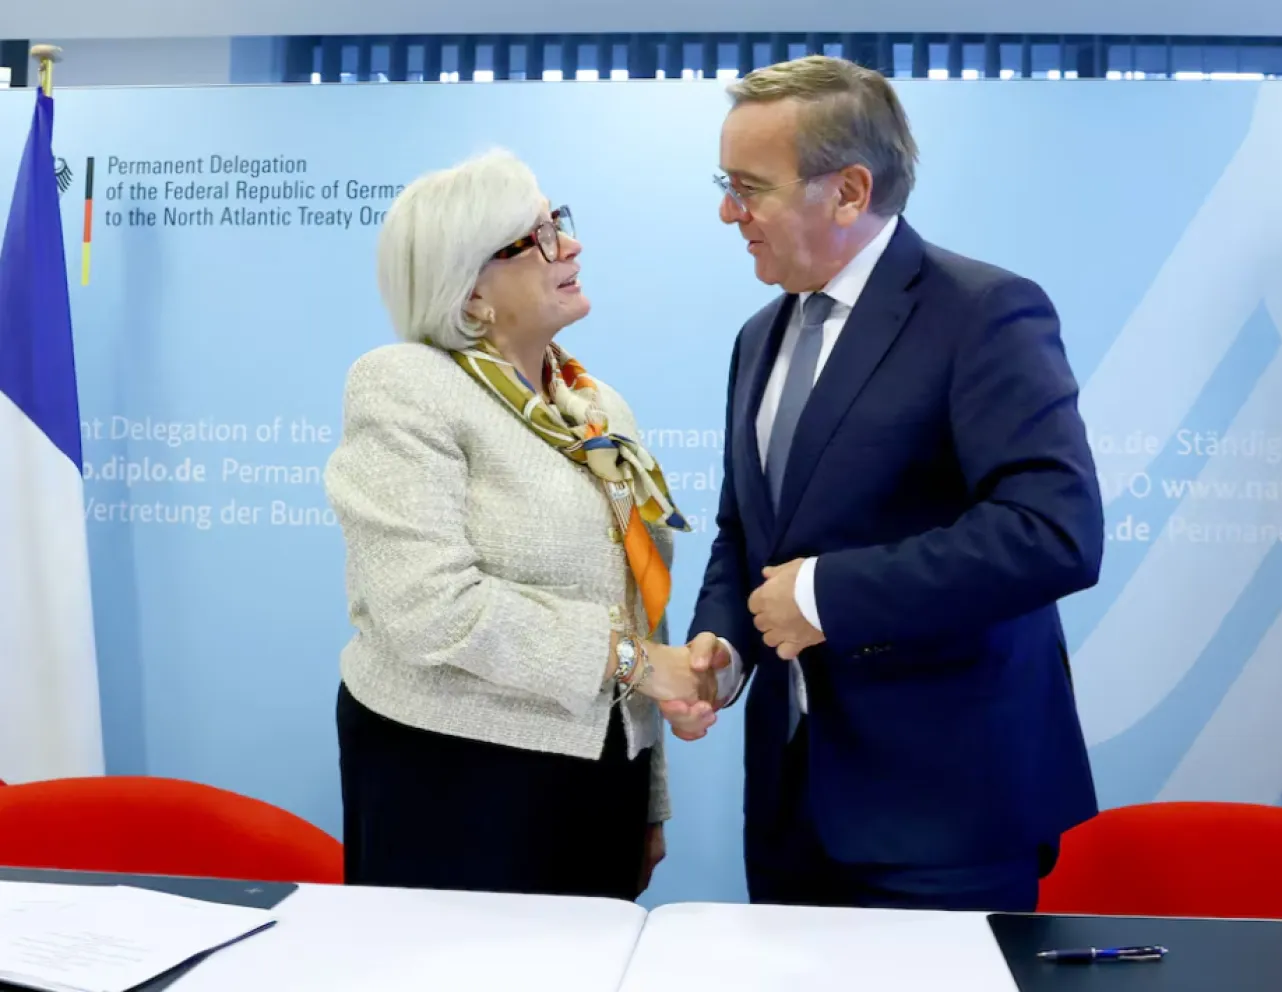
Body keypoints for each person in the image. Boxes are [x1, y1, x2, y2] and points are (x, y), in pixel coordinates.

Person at [668, 55, 1105, 912]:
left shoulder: (984, 313)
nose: (728, 212)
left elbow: (1053, 530)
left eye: (748, 187)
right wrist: (721, 649)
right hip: (793, 809)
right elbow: (747, 537)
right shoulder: (760, 335)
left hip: (947, 813)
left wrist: (829, 594)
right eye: (725, 184)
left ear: (849, 191)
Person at [324, 149, 719, 900]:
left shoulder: (596, 406)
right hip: (456, 776)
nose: (569, 246)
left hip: (605, 775)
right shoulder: (403, 385)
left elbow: (638, 601)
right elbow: (428, 610)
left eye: (557, 224)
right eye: (536, 237)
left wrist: (649, 797)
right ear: (469, 288)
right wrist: (636, 664)